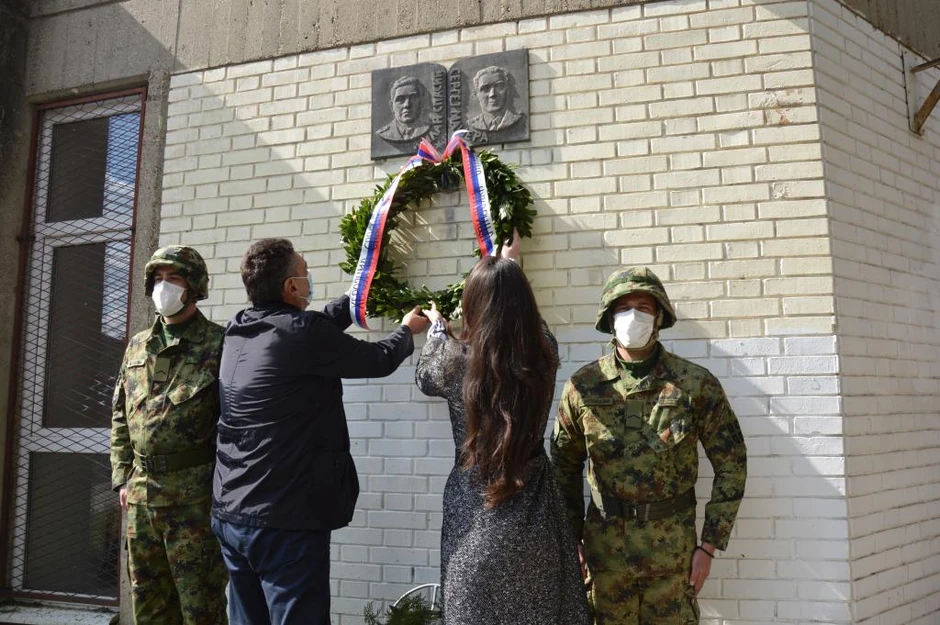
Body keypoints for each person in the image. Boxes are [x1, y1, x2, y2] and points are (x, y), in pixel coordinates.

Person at [211, 238, 429, 625]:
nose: (309, 278)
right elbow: (377, 360)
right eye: (305, 271)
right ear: (291, 288)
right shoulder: (300, 332)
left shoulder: (239, 329)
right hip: (283, 519)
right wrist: (406, 330)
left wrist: (356, 295)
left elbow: (309, 329)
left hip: (233, 514)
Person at [551, 267, 748, 625]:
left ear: (659, 316)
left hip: (672, 558)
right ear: (610, 318)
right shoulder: (584, 387)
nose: (633, 316)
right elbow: (562, 467)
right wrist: (570, 540)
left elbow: (732, 462)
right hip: (605, 556)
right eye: (623, 308)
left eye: (644, 307)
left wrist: (709, 544)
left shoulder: (694, 384)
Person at [416, 235, 590, 625]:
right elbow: (531, 326)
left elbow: (424, 378)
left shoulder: (450, 362)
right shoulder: (544, 353)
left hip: (472, 514)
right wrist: (510, 269)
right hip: (536, 514)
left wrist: (438, 329)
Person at [110, 245, 228, 624]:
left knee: (201, 608)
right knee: (149, 604)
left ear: (193, 286)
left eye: (173, 278)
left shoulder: (219, 343)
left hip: (193, 500)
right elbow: (120, 415)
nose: (164, 287)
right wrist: (122, 478)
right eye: (158, 279)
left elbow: (236, 421)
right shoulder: (138, 345)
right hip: (142, 498)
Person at [467, 66, 525, 134]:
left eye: (499, 87)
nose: (492, 94)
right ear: (476, 95)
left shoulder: (517, 119)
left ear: (508, 91)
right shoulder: (472, 123)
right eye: (486, 89)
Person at [376, 75, 431, 142]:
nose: (407, 105)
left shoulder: (429, 127)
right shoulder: (384, 133)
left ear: (421, 102)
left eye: (413, 98)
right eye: (400, 99)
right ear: (391, 106)